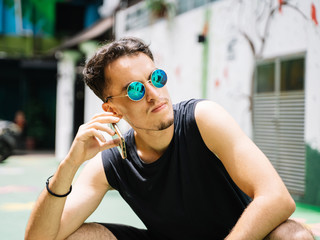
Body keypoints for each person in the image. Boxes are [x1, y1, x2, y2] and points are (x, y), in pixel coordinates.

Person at [25, 37, 314, 240]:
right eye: (135, 90)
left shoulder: (203, 119)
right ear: (112, 109)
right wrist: (70, 165)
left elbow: (277, 199)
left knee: (294, 235)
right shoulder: (114, 161)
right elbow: (40, 238)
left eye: (157, 78)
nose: (154, 94)